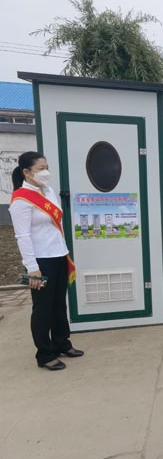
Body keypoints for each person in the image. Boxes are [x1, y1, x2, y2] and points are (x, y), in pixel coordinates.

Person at [9, 151, 83, 371]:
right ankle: (44, 353)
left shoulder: (48, 191)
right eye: (41, 168)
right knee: (42, 308)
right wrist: (32, 268)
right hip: (40, 261)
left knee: (59, 303)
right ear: (27, 172)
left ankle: (61, 343)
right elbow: (22, 237)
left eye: (47, 167)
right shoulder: (21, 200)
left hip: (58, 255)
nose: (46, 172)